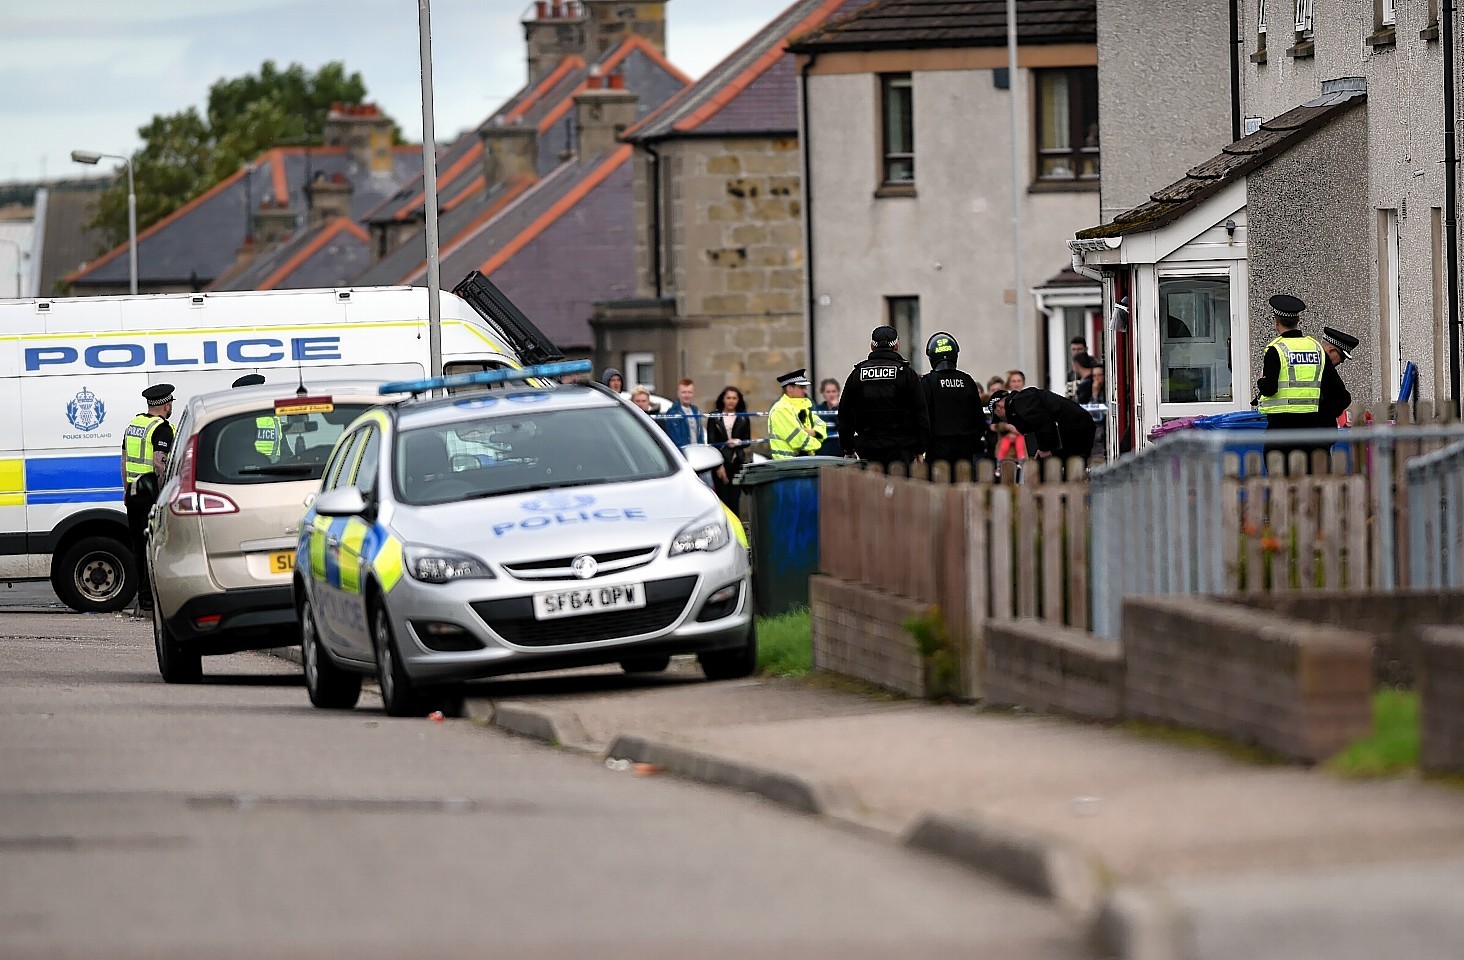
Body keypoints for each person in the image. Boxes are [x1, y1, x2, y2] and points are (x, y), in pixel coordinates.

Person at [1255, 295, 1345, 467]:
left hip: (1281, 434)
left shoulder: (1276, 350)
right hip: (1311, 434)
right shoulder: (1316, 348)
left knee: (1282, 487)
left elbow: (1270, 389)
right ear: (1297, 320)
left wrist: (1261, 382)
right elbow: (1340, 394)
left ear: (1276, 322)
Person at [838, 325, 930, 468]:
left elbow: (845, 414)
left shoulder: (857, 374)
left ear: (871, 346)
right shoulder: (906, 373)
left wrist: (848, 448)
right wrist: (920, 448)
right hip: (901, 448)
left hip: (868, 447)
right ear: (897, 346)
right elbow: (920, 413)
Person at [123, 383, 176, 613]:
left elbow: (124, 460)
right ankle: (151, 599)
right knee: (153, 547)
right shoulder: (162, 428)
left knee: (138, 546)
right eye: (170, 403)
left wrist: (126, 490)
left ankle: (142, 597)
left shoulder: (134, 425)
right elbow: (159, 464)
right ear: (166, 405)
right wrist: (164, 495)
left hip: (133, 494)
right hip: (151, 496)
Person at [920, 331, 989, 475]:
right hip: (965, 448)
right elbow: (979, 417)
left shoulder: (927, 382)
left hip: (937, 448)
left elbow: (922, 417)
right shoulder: (967, 381)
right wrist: (972, 441)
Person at [987, 386, 1097, 468]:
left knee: (1070, 464)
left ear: (999, 406)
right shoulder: (1022, 400)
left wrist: (1044, 448)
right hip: (1077, 425)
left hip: (1075, 428)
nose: (1002, 419)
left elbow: (1041, 422)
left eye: (998, 416)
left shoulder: (1020, 402)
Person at [706, 385, 751, 512]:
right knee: (723, 499)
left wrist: (738, 442)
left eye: (734, 398)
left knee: (735, 499)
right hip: (720, 461)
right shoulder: (715, 416)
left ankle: (736, 529)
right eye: (728, 398)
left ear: (738, 400)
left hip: (737, 462)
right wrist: (718, 466)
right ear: (723, 399)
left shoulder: (743, 417)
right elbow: (711, 442)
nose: (731, 401)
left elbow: (747, 441)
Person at [768, 369, 826, 458]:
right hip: (787, 462)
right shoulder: (781, 409)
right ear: (789, 388)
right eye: (801, 387)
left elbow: (821, 424)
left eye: (805, 387)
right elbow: (798, 439)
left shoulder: (804, 406)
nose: (805, 391)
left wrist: (814, 432)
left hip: (803, 460)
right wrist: (818, 444)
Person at [1318, 326, 1358, 428]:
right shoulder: (1325, 366)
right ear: (1331, 350)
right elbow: (1343, 398)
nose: (1342, 361)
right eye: (1342, 356)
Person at [660, 377, 704, 449]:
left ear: (693, 393)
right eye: (684, 392)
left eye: (689, 392)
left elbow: (700, 433)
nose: (687, 395)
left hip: (697, 450)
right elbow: (675, 437)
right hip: (683, 451)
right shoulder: (673, 413)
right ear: (678, 393)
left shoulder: (695, 410)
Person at [813, 378, 843, 457]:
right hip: (822, 452)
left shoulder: (844, 410)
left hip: (839, 451)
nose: (831, 394)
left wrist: (835, 408)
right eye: (828, 392)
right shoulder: (817, 410)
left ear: (838, 392)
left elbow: (843, 426)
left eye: (834, 391)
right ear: (823, 393)